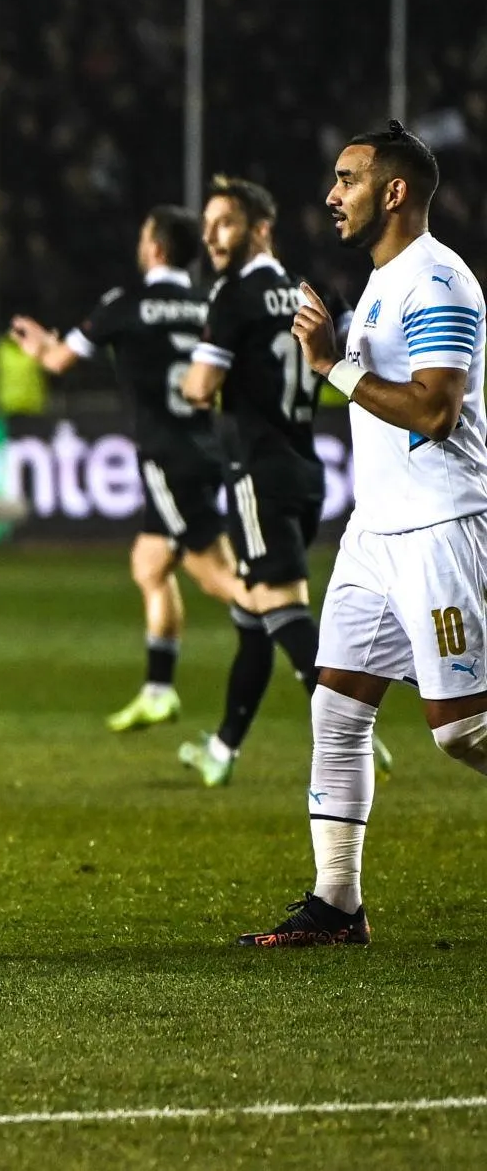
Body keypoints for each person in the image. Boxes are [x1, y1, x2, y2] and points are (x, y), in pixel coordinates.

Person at [242, 123, 487, 947]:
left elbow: (436, 411)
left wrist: (330, 366)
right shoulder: (383, 280)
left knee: (463, 730)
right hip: (375, 533)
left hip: (441, 527)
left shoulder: (438, 281)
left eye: (347, 179)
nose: (331, 195)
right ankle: (337, 904)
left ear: (394, 190)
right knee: (337, 710)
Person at [178, 176, 391, 785]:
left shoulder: (232, 297)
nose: (211, 236)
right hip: (305, 467)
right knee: (253, 618)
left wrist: (190, 380)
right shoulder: (309, 290)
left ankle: (352, 726)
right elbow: (360, 349)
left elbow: (200, 388)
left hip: (257, 469)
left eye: (225, 223)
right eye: (207, 225)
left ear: (261, 229)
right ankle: (223, 750)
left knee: (279, 605)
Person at [9, 207, 246, 731]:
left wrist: (39, 345)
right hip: (206, 445)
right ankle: (159, 691)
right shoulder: (208, 303)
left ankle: (320, 664)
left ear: (155, 248)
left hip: (167, 457)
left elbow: (60, 361)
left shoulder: (127, 303)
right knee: (150, 565)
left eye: (144, 238)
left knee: (220, 579)